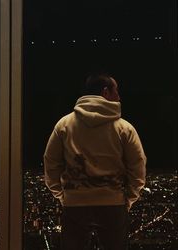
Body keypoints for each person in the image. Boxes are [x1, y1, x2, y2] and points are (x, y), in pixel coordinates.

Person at [44, 72, 147, 250]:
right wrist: (126, 199)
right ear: (106, 92)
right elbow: (137, 167)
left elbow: (51, 163)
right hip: (113, 203)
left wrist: (64, 196)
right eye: (117, 91)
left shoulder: (64, 125)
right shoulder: (124, 128)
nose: (119, 96)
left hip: (75, 203)